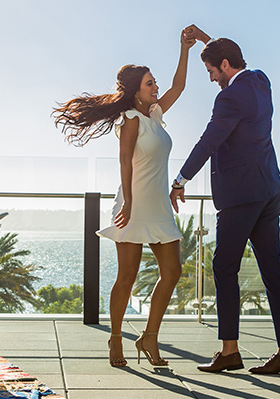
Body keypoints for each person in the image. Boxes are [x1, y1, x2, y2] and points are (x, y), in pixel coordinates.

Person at [53, 28, 197, 367]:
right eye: (150, 84)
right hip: (132, 206)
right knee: (127, 275)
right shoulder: (131, 120)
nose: (156, 87)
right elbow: (124, 161)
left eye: (154, 83)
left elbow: (180, 86)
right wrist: (128, 202)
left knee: (172, 271)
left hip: (159, 206)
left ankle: (149, 336)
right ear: (136, 92)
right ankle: (116, 337)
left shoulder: (156, 115)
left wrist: (184, 48)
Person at [170, 26, 280, 375]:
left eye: (212, 72)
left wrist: (180, 179)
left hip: (241, 196)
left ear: (224, 65)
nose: (212, 79)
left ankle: (229, 351)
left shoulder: (228, 98)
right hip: (269, 189)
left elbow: (208, 141)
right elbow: (231, 55)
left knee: (224, 266)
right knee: (272, 267)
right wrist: (203, 39)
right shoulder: (260, 81)